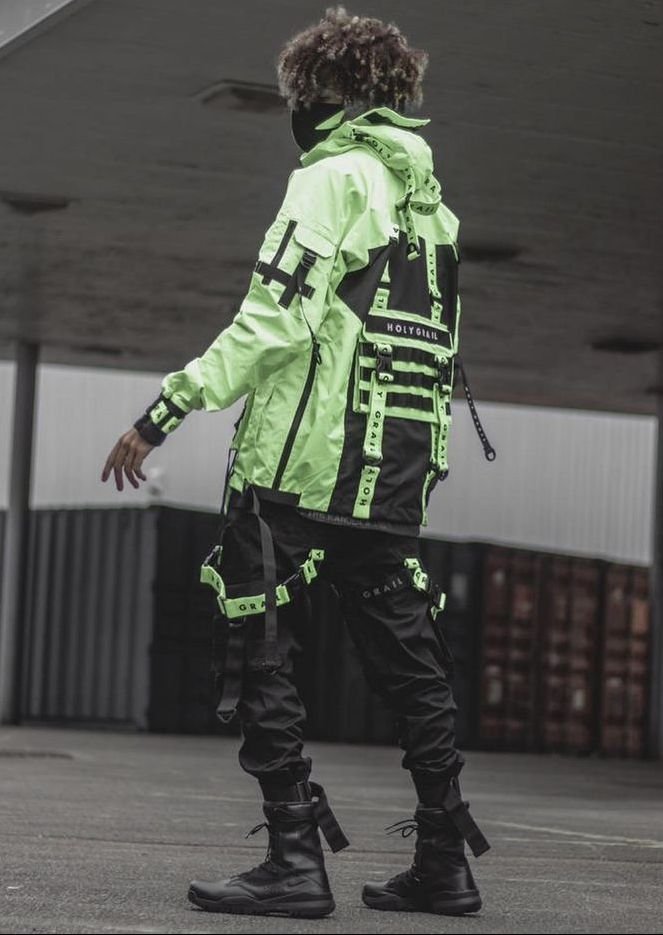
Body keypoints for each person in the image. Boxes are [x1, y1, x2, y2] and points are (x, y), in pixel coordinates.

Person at [102, 4, 493, 919]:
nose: (296, 112)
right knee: (409, 658)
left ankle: (293, 858)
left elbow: (271, 322)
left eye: (300, 96)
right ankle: (444, 860)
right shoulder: (432, 208)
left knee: (255, 643)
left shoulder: (330, 179)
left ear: (326, 96)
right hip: (393, 471)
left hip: (302, 466)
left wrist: (167, 409)